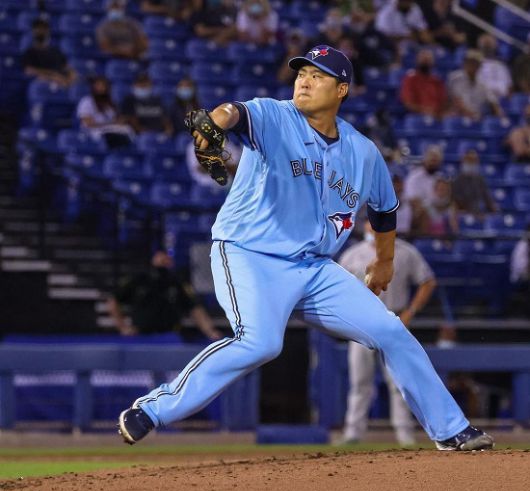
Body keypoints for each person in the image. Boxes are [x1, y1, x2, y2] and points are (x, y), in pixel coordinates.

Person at [118, 44, 494, 452]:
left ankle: (450, 430)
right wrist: (215, 122)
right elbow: (234, 113)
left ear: (342, 90)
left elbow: (384, 211)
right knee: (260, 342)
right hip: (249, 254)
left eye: (317, 76)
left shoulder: (363, 152)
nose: (304, 81)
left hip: (314, 268)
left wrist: (385, 261)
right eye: (301, 73)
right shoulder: (275, 116)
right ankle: (152, 409)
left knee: (391, 330)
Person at [340, 221, 437, 446]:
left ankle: (404, 435)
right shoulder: (352, 254)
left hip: (394, 318)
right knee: (359, 381)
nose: (373, 229)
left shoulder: (405, 251)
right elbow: (339, 289)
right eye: (370, 224)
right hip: (362, 321)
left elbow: (427, 281)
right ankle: (353, 433)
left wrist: (411, 312)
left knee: (399, 381)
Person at [109, 250, 222, 340]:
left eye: (165, 257)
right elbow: (113, 300)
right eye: (159, 256)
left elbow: (195, 308)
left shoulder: (177, 282)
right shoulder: (139, 280)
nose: (162, 259)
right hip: (140, 336)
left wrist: (210, 331)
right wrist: (122, 327)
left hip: (169, 336)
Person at [76, 75, 134, 147]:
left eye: (103, 85)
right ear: (93, 87)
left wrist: (120, 120)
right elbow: (88, 123)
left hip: (110, 129)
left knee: (128, 129)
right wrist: (111, 123)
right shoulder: (86, 101)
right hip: (93, 131)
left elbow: (115, 119)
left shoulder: (110, 103)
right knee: (111, 136)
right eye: (98, 85)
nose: (101, 88)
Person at [447, 49, 503, 120]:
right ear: (464, 63)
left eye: (474, 63)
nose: (471, 65)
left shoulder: (482, 83)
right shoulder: (455, 78)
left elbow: (493, 102)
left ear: (479, 66)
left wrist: (501, 117)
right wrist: (472, 115)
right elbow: (456, 101)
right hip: (458, 117)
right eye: (469, 62)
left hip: (477, 118)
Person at [22, 18, 76, 87]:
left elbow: (67, 68)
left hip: (61, 84)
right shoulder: (29, 53)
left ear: (48, 31)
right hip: (43, 86)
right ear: (33, 31)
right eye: (38, 28)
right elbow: (29, 71)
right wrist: (53, 76)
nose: (41, 31)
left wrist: (71, 76)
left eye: (44, 28)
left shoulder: (56, 51)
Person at [399, 48, 447, 119]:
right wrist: (425, 111)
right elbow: (408, 103)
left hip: (436, 117)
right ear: (417, 61)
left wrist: (439, 113)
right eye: (423, 60)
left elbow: (443, 101)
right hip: (417, 117)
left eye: (428, 60)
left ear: (433, 62)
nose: (425, 63)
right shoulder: (410, 79)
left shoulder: (437, 80)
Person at [451, 149, 497, 215]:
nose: (472, 163)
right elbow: (456, 201)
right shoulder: (457, 180)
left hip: (478, 212)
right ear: (463, 161)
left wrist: (494, 209)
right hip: (463, 213)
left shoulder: (480, 179)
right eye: (469, 160)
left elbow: (487, 197)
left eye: (474, 161)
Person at [476, 33, 512, 100]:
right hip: (482, 100)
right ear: (480, 47)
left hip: (501, 100)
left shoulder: (502, 66)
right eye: (485, 47)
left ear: (495, 47)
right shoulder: (476, 65)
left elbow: (509, 87)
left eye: (489, 47)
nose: (487, 49)